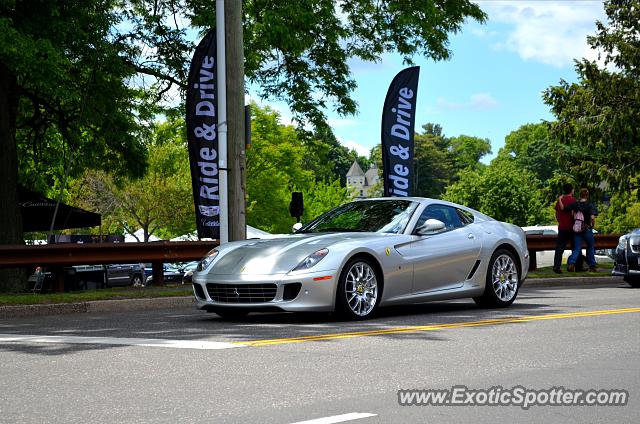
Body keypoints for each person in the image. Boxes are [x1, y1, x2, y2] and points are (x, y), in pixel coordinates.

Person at [559, 188, 598, 272]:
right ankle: (592, 266)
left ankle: (571, 263)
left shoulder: (576, 204)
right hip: (587, 229)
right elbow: (592, 217)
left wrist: (559, 199)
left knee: (577, 248)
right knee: (590, 246)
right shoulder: (590, 205)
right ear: (587, 195)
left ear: (580, 195)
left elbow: (563, 208)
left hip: (577, 230)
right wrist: (592, 225)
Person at [553, 183, 577, 273]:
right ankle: (576, 266)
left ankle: (557, 266)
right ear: (571, 190)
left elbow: (557, 214)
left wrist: (560, 221)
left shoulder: (560, 200)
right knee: (575, 247)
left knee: (559, 248)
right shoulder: (573, 200)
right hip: (572, 227)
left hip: (562, 227)